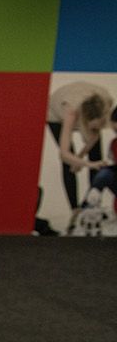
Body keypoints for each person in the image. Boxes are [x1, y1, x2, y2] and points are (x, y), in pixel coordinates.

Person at [46, 82, 115, 232]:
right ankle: (75, 210)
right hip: (56, 114)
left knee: (96, 156)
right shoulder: (70, 112)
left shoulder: (107, 102)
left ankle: (92, 205)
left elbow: (95, 135)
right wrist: (86, 163)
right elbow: (64, 154)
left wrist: (82, 157)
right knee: (68, 163)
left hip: (88, 109)